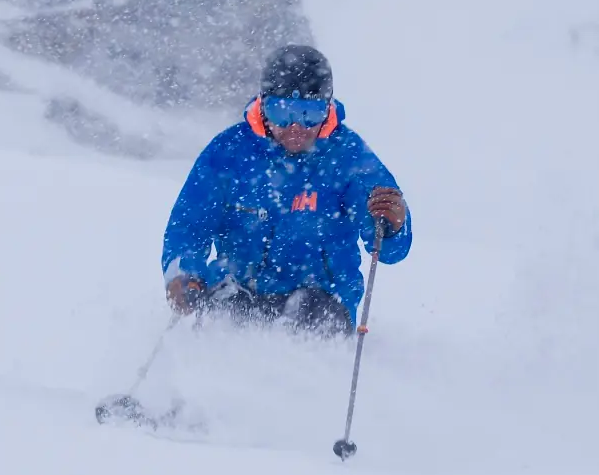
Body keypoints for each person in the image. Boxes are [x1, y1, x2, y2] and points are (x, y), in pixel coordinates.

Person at [161, 44, 411, 336]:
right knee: (221, 322)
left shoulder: (348, 157)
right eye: (282, 112)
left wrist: (392, 227)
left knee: (306, 316)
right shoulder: (228, 152)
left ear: (327, 109)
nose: (295, 126)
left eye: (309, 113)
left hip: (322, 299)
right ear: (263, 105)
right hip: (238, 289)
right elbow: (189, 227)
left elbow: (388, 249)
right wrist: (185, 275)